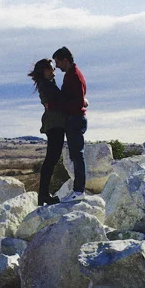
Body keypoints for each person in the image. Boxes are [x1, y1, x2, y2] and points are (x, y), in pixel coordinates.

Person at [52, 46, 87, 200]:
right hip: (74, 119)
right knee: (76, 156)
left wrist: (58, 105)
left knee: (78, 156)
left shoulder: (74, 76)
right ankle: (78, 190)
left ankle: (79, 192)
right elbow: (78, 98)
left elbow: (77, 101)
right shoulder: (71, 74)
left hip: (75, 119)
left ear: (65, 60)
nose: (57, 66)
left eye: (58, 62)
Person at [28, 58, 65, 206]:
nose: (54, 71)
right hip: (54, 124)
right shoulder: (46, 85)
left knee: (51, 159)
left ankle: (43, 194)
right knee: (51, 160)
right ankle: (43, 194)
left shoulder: (47, 84)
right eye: (51, 68)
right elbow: (60, 101)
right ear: (44, 70)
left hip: (55, 123)